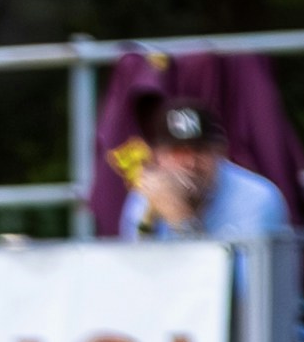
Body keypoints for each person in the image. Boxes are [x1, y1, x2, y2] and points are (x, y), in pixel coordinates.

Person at [118, 85, 290, 252]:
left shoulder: (257, 199)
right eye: (177, 152)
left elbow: (241, 281)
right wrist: (147, 222)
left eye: (199, 150)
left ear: (220, 152)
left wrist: (182, 220)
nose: (190, 163)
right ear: (158, 158)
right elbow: (136, 275)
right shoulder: (143, 199)